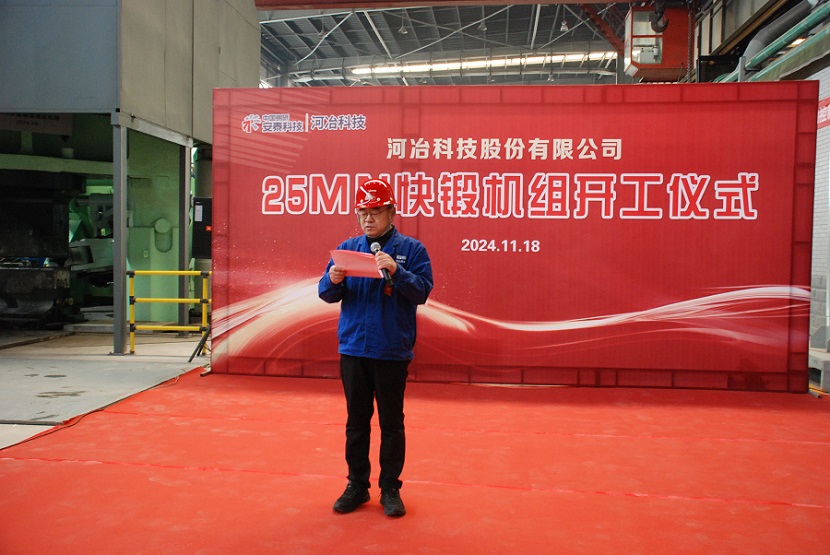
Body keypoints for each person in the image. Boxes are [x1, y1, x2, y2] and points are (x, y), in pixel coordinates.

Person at [319, 178, 434, 518]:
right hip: (354, 348)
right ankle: (356, 485)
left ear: (391, 212)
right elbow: (326, 293)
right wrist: (332, 280)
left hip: (391, 350)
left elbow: (422, 292)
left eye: (375, 212)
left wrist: (398, 271)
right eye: (362, 212)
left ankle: (390, 488)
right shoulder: (348, 248)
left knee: (391, 422)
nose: (367, 219)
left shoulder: (412, 250)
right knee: (356, 422)